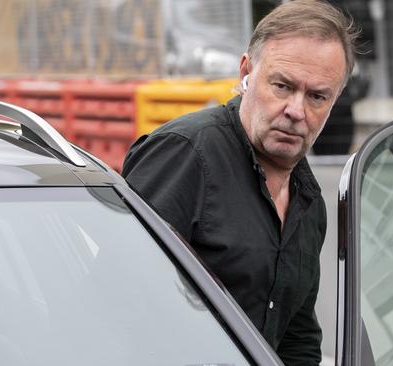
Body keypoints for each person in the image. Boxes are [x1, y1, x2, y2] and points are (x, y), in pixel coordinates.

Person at [122, 1, 358, 364]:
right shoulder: (185, 155)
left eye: (317, 96)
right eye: (282, 86)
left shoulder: (308, 199)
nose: (296, 110)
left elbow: (297, 338)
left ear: (335, 99)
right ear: (246, 72)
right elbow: (119, 305)